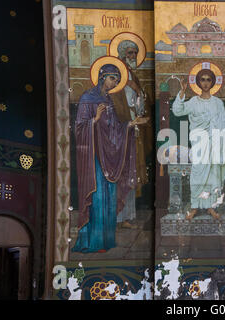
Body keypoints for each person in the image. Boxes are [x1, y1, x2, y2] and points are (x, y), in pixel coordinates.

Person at [72, 64, 139, 253]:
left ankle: (106, 242)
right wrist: (95, 118)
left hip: (109, 155)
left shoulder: (108, 100)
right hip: (94, 157)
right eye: (112, 79)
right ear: (102, 77)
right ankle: (93, 242)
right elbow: (79, 127)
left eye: (117, 81)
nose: (114, 83)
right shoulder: (87, 98)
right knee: (98, 197)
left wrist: (129, 125)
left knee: (109, 196)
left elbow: (114, 128)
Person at [172, 69, 225, 221]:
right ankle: (194, 207)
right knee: (197, 176)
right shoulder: (193, 102)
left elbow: (224, 122)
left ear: (213, 82)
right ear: (198, 82)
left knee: (214, 176)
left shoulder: (218, 103)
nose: (205, 83)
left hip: (215, 145)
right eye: (203, 80)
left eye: (208, 80)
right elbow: (177, 111)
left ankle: (211, 207)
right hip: (200, 145)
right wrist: (182, 92)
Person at [112, 39, 152, 229]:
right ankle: (117, 216)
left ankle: (126, 216)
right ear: (121, 54)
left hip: (132, 127)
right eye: (129, 53)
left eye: (135, 53)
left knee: (130, 172)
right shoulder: (114, 74)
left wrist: (138, 92)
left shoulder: (132, 76)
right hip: (118, 129)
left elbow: (140, 101)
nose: (133, 57)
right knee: (119, 172)